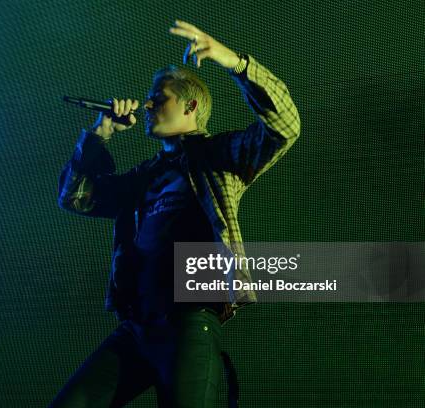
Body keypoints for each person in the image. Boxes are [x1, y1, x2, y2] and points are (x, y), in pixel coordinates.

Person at [50, 20, 301, 408]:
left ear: (191, 105)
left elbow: (285, 126)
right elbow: (75, 197)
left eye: (159, 97)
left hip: (190, 321)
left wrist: (233, 61)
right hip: (137, 327)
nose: (148, 104)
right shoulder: (143, 177)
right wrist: (99, 136)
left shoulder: (219, 157)